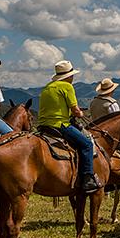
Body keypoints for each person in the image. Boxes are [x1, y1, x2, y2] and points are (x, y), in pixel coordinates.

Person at [38, 60, 100, 194]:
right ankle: (87, 178)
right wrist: (81, 113)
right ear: (69, 76)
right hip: (60, 125)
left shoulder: (48, 87)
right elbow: (75, 111)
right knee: (87, 144)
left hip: (43, 126)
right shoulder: (67, 87)